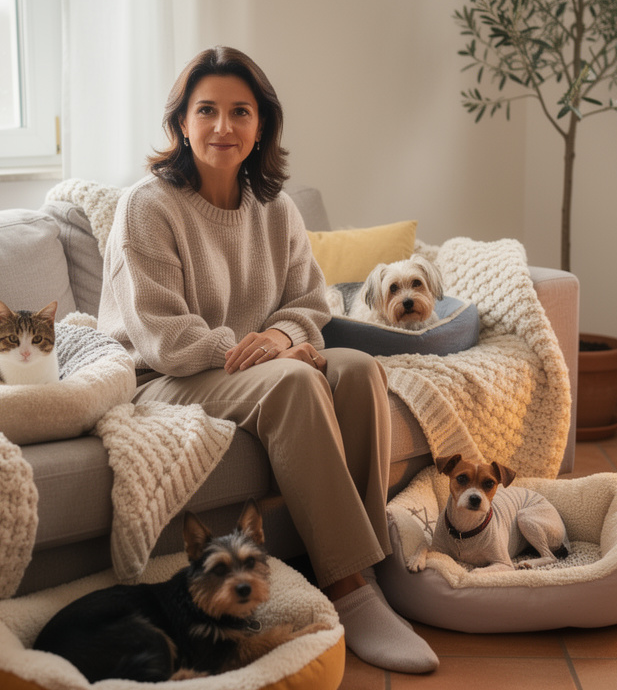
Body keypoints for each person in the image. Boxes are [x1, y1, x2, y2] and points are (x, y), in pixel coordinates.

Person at [95, 46, 438, 674]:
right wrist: (260, 352)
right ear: (180, 124)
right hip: (162, 379)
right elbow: (164, 336)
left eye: (240, 112)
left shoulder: (276, 208)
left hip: (252, 369)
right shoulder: (146, 206)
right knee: (293, 387)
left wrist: (281, 340)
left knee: (359, 368)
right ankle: (348, 590)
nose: (223, 127)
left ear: (261, 127)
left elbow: (313, 301)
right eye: (207, 111)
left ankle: (372, 566)